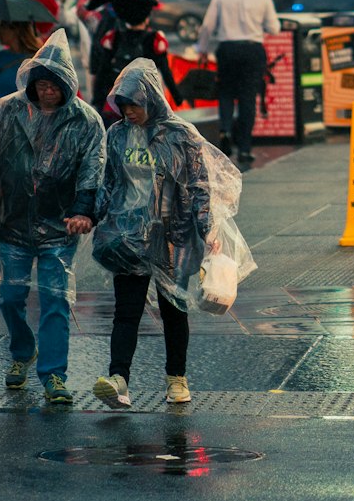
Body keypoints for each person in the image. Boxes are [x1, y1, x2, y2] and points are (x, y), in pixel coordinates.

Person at [0, 31, 106, 406]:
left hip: (59, 227)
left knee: (55, 301)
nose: (47, 91)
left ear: (67, 85)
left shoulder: (85, 122)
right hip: (14, 224)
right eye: (42, 84)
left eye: (54, 84)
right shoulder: (7, 112)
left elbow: (92, 170)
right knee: (9, 297)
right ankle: (23, 352)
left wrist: (83, 211)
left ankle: (54, 374)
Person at [91, 59, 250, 409]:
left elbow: (198, 184)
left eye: (134, 104)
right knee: (126, 311)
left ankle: (176, 379)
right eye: (123, 105)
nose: (128, 111)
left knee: (173, 310)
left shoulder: (180, 135)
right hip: (128, 236)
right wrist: (91, 217)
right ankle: (119, 380)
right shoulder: (116, 135)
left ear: (151, 98)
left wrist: (207, 228)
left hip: (171, 236)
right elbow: (110, 183)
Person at [197, 0, 280, 164]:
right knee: (247, 98)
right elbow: (274, 28)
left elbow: (207, 25)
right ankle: (244, 148)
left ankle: (225, 130)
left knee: (225, 92)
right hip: (253, 50)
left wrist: (203, 49)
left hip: (227, 48)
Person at [88, 0, 182, 114]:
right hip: (146, 101)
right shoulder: (155, 39)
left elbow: (103, 70)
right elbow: (166, 71)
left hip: (120, 101)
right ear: (146, 15)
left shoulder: (114, 37)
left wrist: (98, 99)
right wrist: (177, 97)